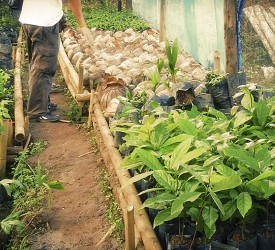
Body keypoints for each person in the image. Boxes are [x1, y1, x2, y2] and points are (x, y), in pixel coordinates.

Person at [19, 0, 93, 122]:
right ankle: (37, 111)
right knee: (43, 68)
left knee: (36, 63)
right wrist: (82, 25)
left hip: (30, 19)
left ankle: (42, 103)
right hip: (44, 22)